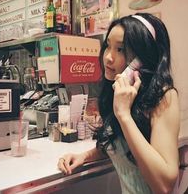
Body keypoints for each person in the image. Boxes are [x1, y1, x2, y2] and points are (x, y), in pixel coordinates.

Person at [57, 13, 180, 194]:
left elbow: (164, 186)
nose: (108, 57)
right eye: (108, 46)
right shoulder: (119, 93)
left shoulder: (164, 97)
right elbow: (120, 144)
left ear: (141, 59)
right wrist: (84, 156)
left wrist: (124, 115)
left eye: (120, 49)